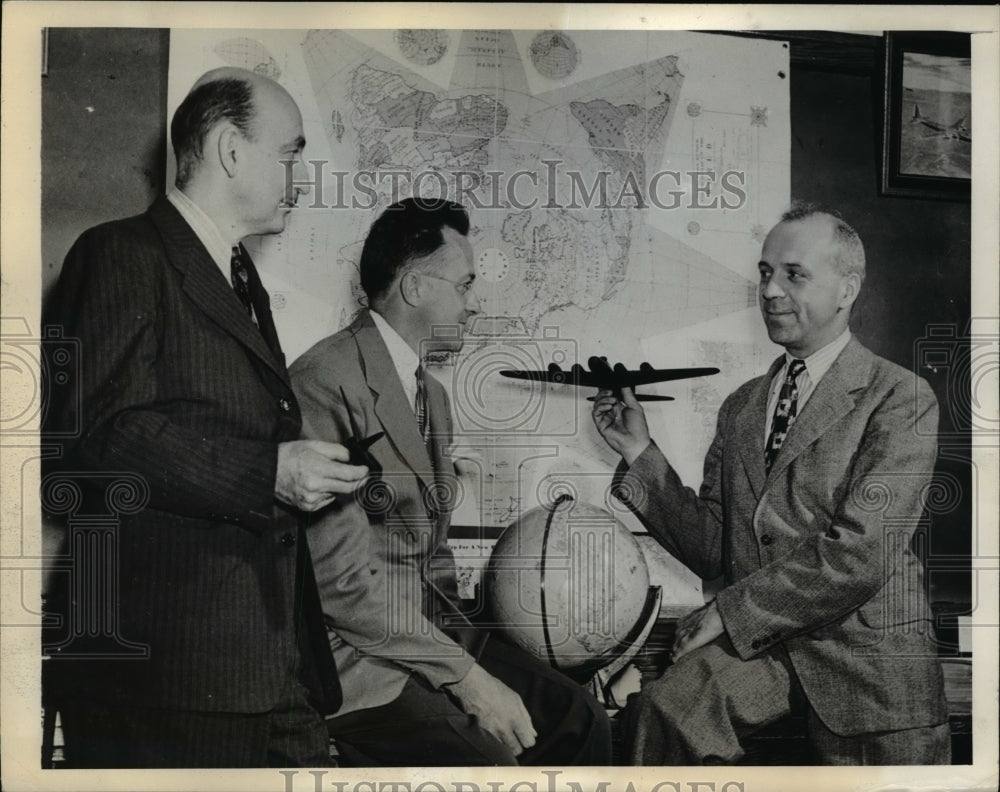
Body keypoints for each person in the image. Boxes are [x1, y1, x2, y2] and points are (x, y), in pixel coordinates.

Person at [41, 67, 368, 768]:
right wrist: (270, 473)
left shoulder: (235, 275)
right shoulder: (122, 254)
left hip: (262, 663)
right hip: (167, 674)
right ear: (228, 149)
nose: (300, 175)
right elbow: (96, 439)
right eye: (290, 151)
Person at [592, 205, 950, 765]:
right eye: (764, 273)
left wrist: (730, 613)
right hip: (761, 655)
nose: (770, 290)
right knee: (664, 711)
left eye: (793, 274)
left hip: (870, 669)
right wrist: (639, 450)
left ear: (847, 289)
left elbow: (858, 555)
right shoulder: (741, 408)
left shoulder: (899, 398)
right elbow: (715, 547)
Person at [290, 197, 612, 766]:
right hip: (356, 660)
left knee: (577, 717)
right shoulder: (324, 380)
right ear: (415, 288)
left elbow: (432, 556)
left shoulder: (430, 395)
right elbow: (340, 587)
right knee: (491, 764)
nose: (475, 304)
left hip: (426, 638)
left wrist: (470, 655)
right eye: (465, 286)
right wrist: (467, 678)